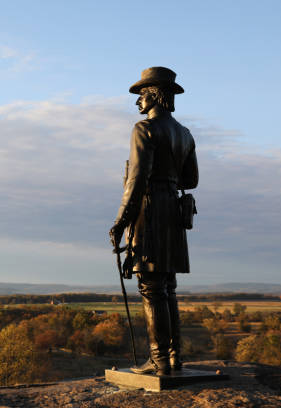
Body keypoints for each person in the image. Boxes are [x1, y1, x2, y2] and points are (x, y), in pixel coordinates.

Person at [109, 67, 199, 376]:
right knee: (167, 287)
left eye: (141, 95)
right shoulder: (185, 134)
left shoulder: (143, 129)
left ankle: (159, 360)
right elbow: (191, 179)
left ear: (155, 94)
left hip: (150, 211)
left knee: (151, 286)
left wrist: (120, 222)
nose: (137, 103)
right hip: (172, 210)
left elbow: (136, 180)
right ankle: (174, 358)